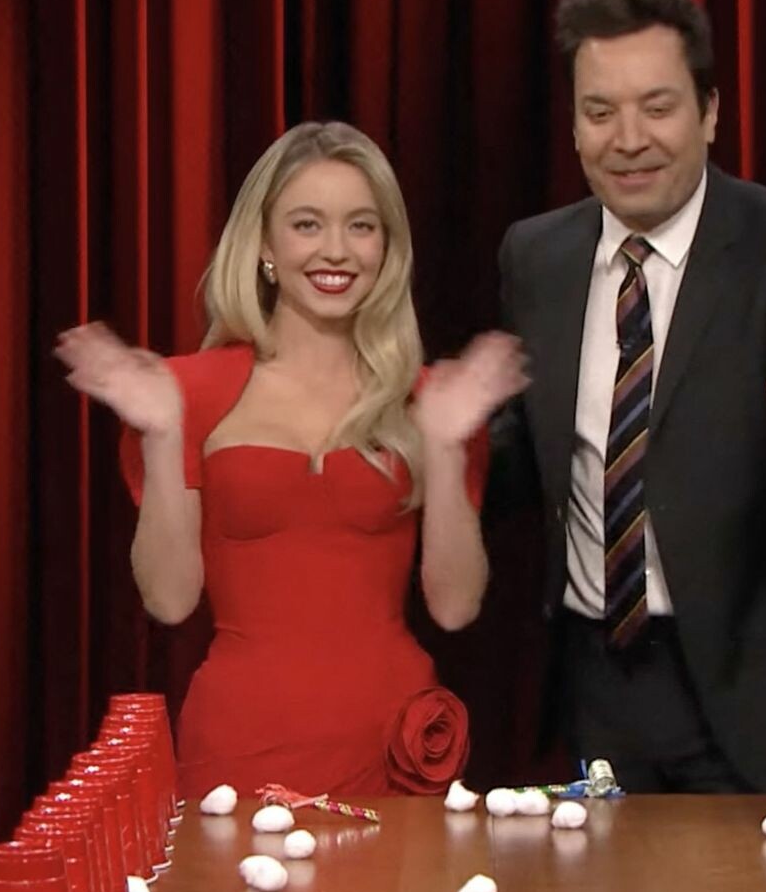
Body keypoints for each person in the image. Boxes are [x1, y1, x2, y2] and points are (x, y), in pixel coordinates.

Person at [492, 0, 766, 793]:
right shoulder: (535, 257)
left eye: (658, 107)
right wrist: (435, 438)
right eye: (599, 112)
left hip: (758, 695)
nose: (628, 139)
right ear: (573, 126)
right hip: (601, 689)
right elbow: (523, 457)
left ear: (710, 112)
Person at [57, 121, 527, 800]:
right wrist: (160, 435)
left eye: (361, 226)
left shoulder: (431, 401)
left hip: (392, 746)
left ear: (387, 247)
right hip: (239, 746)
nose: (336, 249)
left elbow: (454, 608)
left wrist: (447, 447)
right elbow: (169, 598)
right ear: (265, 246)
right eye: (307, 224)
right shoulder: (182, 395)